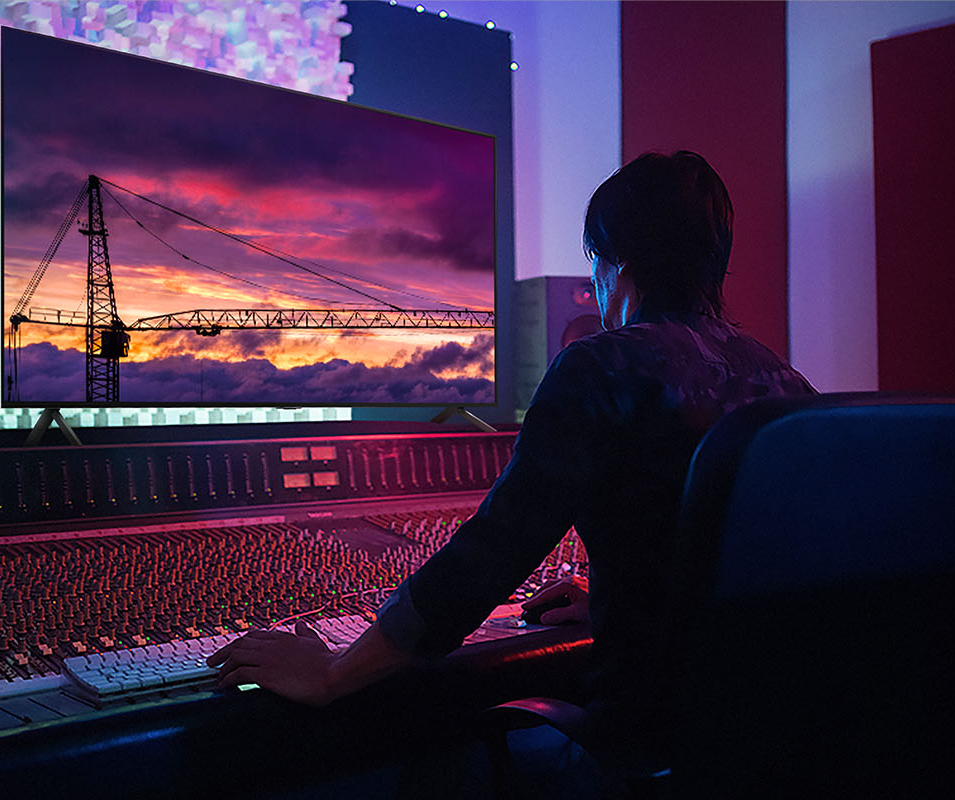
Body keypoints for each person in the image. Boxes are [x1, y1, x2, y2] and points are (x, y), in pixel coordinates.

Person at [208, 150, 816, 792]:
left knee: (434, 770)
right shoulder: (788, 385)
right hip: (774, 745)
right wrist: (623, 598)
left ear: (619, 266)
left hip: (644, 747)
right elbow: (755, 566)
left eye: (596, 265)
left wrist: (336, 671)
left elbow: (490, 556)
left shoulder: (600, 370)